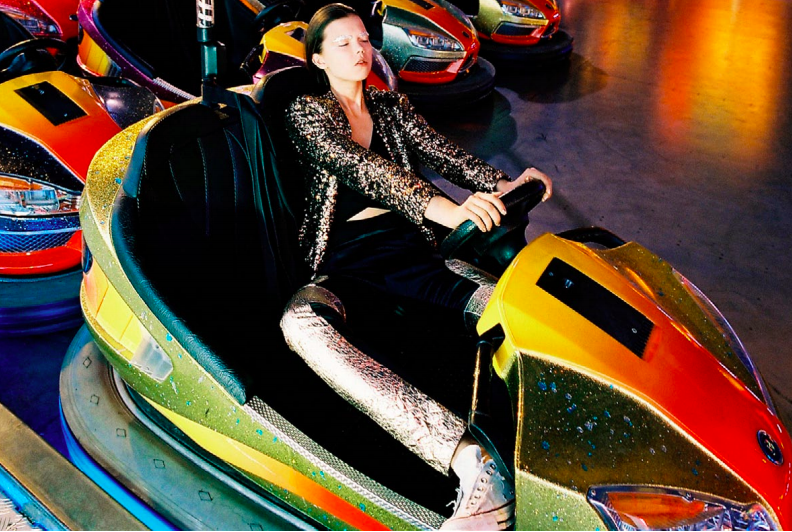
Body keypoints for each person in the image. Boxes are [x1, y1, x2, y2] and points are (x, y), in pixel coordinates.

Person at [279, 4, 552, 529]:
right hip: (346, 259)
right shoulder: (308, 114)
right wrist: (449, 209)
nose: (359, 50)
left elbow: (444, 153)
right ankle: (475, 464)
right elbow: (367, 170)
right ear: (318, 58)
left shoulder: (390, 106)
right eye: (342, 44)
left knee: (506, 309)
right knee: (303, 325)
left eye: (364, 40)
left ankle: (546, 424)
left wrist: (505, 184)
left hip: (411, 248)